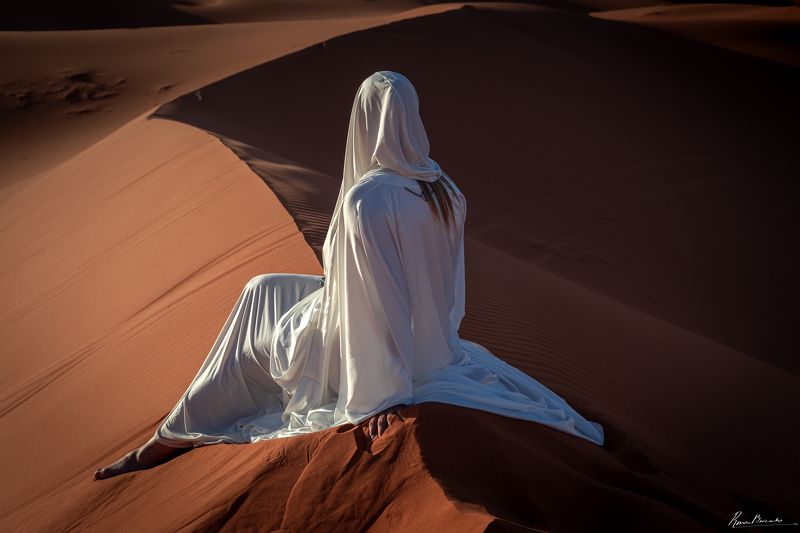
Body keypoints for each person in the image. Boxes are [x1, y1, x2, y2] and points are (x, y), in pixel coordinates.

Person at [94, 71, 604, 481]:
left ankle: (171, 438)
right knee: (262, 288)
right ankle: (179, 427)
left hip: (366, 355)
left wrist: (383, 395)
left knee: (249, 335)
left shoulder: (367, 199)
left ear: (366, 121)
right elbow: (438, 289)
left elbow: (380, 302)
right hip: (430, 342)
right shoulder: (444, 188)